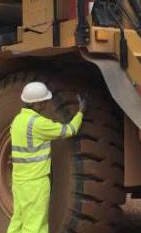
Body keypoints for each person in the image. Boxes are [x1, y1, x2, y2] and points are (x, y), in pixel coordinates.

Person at [7, 81, 86, 233]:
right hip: (35, 184)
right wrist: (80, 112)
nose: (45, 104)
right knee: (36, 225)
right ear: (35, 104)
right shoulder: (38, 124)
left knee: (18, 221)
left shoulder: (17, 121)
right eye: (43, 102)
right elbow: (69, 130)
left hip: (19, 182)